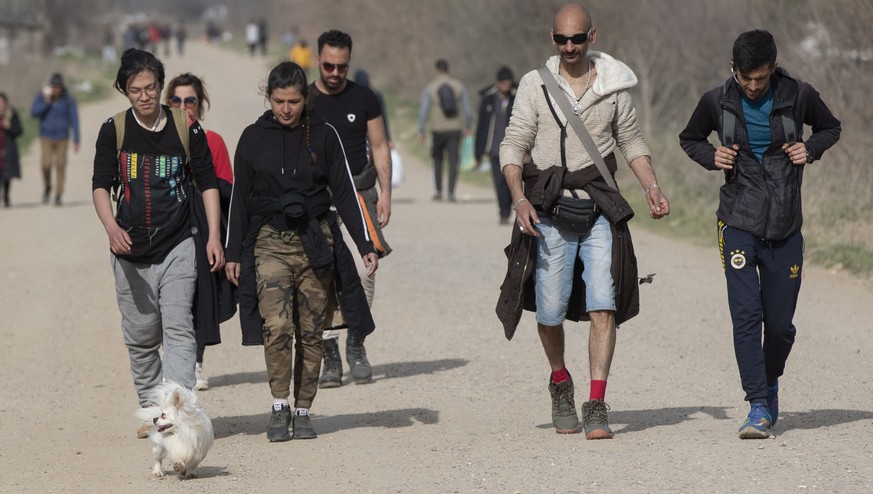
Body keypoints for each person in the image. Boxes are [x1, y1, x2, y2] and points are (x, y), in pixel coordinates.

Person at [496, 3, 670, 440]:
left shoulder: (613, 85)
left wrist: (651, 185)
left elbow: (631, 140)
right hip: (550, 211)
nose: (569, 47)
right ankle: (560, 381)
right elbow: (514, 143)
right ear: (551, 39)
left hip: (598, 209)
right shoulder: (534, 85)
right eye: (561, 39)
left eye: (577, 38)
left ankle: (595, 403)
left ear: (593, 36)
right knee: (550, 309)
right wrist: (519, 199)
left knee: (602, 302)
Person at [679, 30, 841, 439]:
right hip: (737, 221)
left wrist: (811, 148)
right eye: (746, 77)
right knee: (747, 316)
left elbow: (830, 128)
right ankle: (757, 405)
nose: (753, 86)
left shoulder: (799, 94)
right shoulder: (716, 101)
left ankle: (769, 385)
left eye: (761, 78)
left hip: (786, 224)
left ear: (773, 68)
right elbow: (690, 138)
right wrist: (711, 157)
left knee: (781, 325)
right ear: (733, 69)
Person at [224, 61, 378, 441]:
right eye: (279, 101)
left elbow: (344, 192)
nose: (286, 109)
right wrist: (231, 253)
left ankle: (304, 408)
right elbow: (239, 201)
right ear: (269, 97)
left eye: (294, 101)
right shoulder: (251, 137)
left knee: (312, 332)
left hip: (316, 242)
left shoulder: (324, 134)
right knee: (276, 327)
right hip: (269, 242)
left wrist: (365, 245)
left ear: (304, 98)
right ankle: (279, 405)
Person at [91, 48, 224, 438]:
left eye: (151, 88)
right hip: (129, 250)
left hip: (178, 243)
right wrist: (111, 227)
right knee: (142, 337)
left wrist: (214, 236)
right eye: (136, 90)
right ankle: (154, 411)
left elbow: (209, 183)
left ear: (161, 87)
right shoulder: (114, 129)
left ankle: (179, 413)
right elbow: (100, 186)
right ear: (125, 91)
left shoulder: (186, 127)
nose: (145, 96)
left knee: (179, 329)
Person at [309, 29, 392, 389]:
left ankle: (356, 342)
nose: (334, 72)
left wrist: (386, 192)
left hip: (360, 193)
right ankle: (329, 355)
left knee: (364, 268)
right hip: (318, 197)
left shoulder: (365, 97)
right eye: (328, 64)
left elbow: (379, 146)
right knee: (321, 275)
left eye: (341, 66)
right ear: (318, 60)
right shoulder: (305, 99)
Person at [166, 73, 236, 391]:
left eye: (190, 100)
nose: (183, 106)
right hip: (166, 228)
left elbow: (226, 192)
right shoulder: (156, 139)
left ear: (200, 104)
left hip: (201, 230)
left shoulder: (213, 142)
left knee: (198, 297)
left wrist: (217, 237)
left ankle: (194, 363)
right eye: (176, 100)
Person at [417, 59, 472, 202]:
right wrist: (468, 127)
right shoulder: (459, 86)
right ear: (448, 69)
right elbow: (467, 110)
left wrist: (421, 130)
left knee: (437, 159)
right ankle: (451, 193)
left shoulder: (430, 87)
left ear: (436, 70)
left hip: (437, 129)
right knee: (454, 160)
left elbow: (423, 110)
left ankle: (439, 191)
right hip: (455, 128)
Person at [31, 72, 80, 206]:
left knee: (61, 165)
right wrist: (46, 103)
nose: (56, 89)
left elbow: (74, 119)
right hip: (46, 136)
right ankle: (47, 187)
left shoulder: (68, 100)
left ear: (62, 87)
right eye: (54, 86)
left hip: (62, 137)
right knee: (46, 164)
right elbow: (33, 113)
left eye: (59, 86)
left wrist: (76, 139)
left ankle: (58, 194)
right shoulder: (42, 97)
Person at [474, 66, 516, 224]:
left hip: (513, 150)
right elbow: (481, 128)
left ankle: (509, 207)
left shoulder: (518, 98)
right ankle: (503, 213)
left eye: (508, 82)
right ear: (497, 83)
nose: (506, 85)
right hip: (494, 150)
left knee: (511, 182)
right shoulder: (488, 100)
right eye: (503, 82)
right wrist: (477, 153)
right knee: (499, 184)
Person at [0, 92, 23, 207]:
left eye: (2, 102)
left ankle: (6, 196)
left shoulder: (11, 114)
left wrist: (9, 126)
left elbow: (19, 130)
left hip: (8, 149)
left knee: (7, 176)